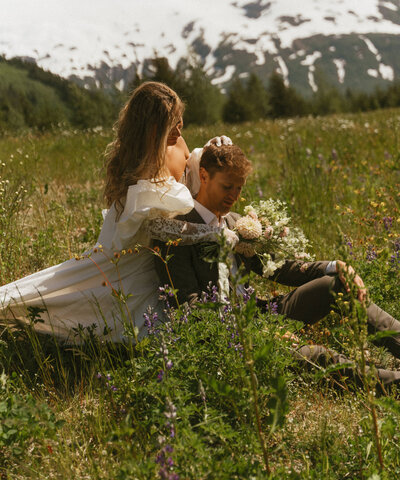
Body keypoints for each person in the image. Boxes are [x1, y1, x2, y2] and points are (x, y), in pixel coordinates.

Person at [154, 143, 400, 391]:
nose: (234, 196)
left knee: (336, 284)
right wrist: (258, 335)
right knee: (317, 356)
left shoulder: (236, 221)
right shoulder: (178, 232)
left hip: (263, 311)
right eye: (227, 187)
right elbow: (189, 303)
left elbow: (278, 268)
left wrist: (335, 266)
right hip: (229, 333)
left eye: (239, 188)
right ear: (204, 176)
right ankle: (394, 384)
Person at [0, 82, 228, 343]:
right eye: (173, 122)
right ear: (153, 127)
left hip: (169, 253)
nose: (179, 127)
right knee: (64, 294)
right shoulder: (139, 163)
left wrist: (212, 151)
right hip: (133, 252)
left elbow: (194, 175)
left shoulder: (178, 143)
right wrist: (208, 233)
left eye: (180, 119)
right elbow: (157, 228)